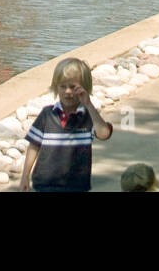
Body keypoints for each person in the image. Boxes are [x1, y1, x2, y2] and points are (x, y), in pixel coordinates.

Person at [19, 57, 112, 192]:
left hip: (76, 185)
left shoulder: (87, 117)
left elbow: (104, 134)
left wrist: (88, 104)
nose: (68, 91)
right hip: (45, 184)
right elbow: (34, 145)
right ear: (56, 87)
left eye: (73, 87)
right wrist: (25, 176)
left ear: (84, 89)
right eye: (63, 86)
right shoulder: (47, 114)